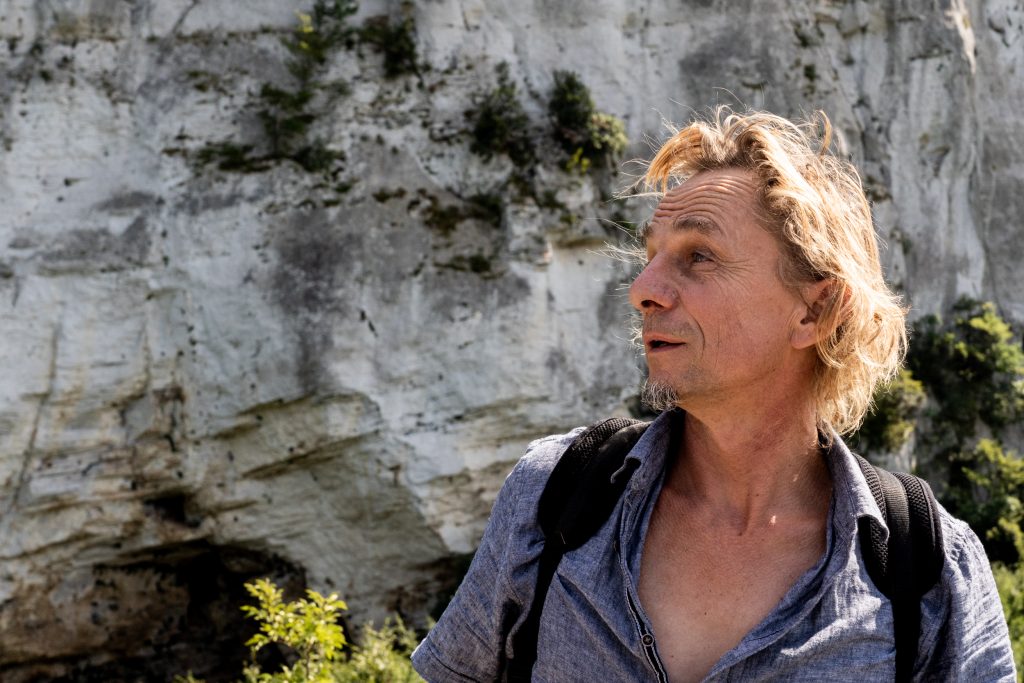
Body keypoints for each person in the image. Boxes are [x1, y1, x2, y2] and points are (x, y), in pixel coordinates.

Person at [411, 109, 1016, 682]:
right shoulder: (554, 494)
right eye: (651, 257)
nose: (643, 290)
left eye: (699, 256)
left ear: (816, 309)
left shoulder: (930, 572)